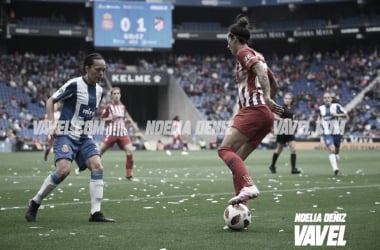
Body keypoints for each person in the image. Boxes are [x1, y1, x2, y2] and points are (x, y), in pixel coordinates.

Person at [25, 53, 115, 222]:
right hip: (66, 134)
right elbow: (51, 101)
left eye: (103, 70)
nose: (101, 74)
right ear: (87, 68)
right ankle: (35, 201)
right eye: (98, 70)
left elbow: (88, 114)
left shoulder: (100, 91)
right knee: (63, 171)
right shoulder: (74, 84)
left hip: (85, 137)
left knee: (97, 167)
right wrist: (52, 124)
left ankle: (95, 213)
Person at [218, 14, 283, 206]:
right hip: (265, 114)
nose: (227, 45)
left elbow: (261, 73)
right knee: (237, 163)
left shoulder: (243, 53)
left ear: (234, 38)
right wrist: (269, 101)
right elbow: (274, 83)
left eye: (227, 41)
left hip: (253, 110)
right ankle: (241, 208)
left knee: (224, 150)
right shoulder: (258, 55)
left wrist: (267, 98)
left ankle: (250, 187)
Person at [98, 87, 135, 180]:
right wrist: (111, 118)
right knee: (99, 152)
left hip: (122, 133)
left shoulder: (123, 107)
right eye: (114, 94)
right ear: (111, 96)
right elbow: (101, 119)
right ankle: (87, 167)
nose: (116, 95)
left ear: (120, 95)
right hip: (111, 133)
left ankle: (129, 174)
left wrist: (127, 121)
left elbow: (123, 118)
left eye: (118, 93)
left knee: (130, 150)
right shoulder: (108, 107)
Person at [317, 92, 348, 176]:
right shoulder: (320, 108)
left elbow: (346, 116)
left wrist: (337, 114)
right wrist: (319, 126)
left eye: (328, 97)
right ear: (323, 99)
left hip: (337, 132)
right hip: (327, 133)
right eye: (325, 98)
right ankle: (335, 168)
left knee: (336, 150)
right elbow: (319, 119)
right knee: (332, 149)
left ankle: (336, 155)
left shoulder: (336, 106)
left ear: (331, 99)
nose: (327, 99)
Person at [269, 93, 301, 174]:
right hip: (282, 130)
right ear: (284, 99)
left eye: (289, 98)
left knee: (293, 149)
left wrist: (294, 121)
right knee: (279, 150)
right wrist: (282, 120)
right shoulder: (281, 108)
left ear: (291, 100)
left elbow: (292, 118)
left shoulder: (293, 108)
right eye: (286, 98)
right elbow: (273, 115)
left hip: (289, 130)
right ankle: (272, 165)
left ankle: (293, 169)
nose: (287, 100)